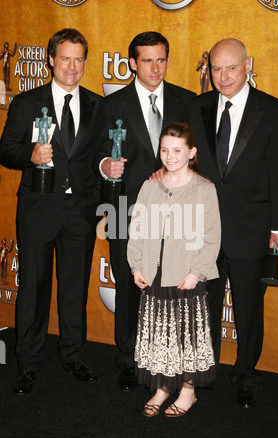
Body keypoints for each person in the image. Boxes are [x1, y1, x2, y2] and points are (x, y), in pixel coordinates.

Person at [0, 28, 107, 394]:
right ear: (50, 60)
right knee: (33, 287)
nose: (72, 67)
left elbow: (100, 157)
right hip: (38, 209)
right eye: (65, 58)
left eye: (79, 59)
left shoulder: (97, 105)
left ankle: (73, 355)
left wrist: (106, 169)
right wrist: (29, 153)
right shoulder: (26, 103)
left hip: (80, 210)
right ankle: (28, 363)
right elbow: (6, 149)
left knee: (75, 288)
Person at [189, 38, 278, 407]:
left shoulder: (274, 110)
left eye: (231, 67)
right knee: (206, 303)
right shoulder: (197, 105)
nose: (223, 76)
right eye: (216, 68)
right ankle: (205, 367)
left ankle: (247, 373)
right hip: (204, 229)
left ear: (248, 64)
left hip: (252, 227)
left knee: (249, 307)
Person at [98, 31, 196, 391]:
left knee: (172, 286)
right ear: (132, 64)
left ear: (168, 60)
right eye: (147, 60)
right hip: (125, 208)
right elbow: (99, 155)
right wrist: (105, 165)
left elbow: (198, 156)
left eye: (161, 59)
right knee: (128, 288)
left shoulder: (187, 101)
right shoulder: (110, 105)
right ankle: (129, 360)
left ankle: (167, 359)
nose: (155, 68)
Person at [127, 123, 221, 417]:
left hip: (186, 276)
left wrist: (197, 272)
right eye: (165, 150)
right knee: (160, 335)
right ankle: (162, 388)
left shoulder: (204, 188)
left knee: (187, 334)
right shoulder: (149, 186)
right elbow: (137, 230)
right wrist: (136, 266)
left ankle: (188, 391)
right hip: (154, 274)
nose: (169, 156)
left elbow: (211, 237)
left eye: (177, 150)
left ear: (191, 152)